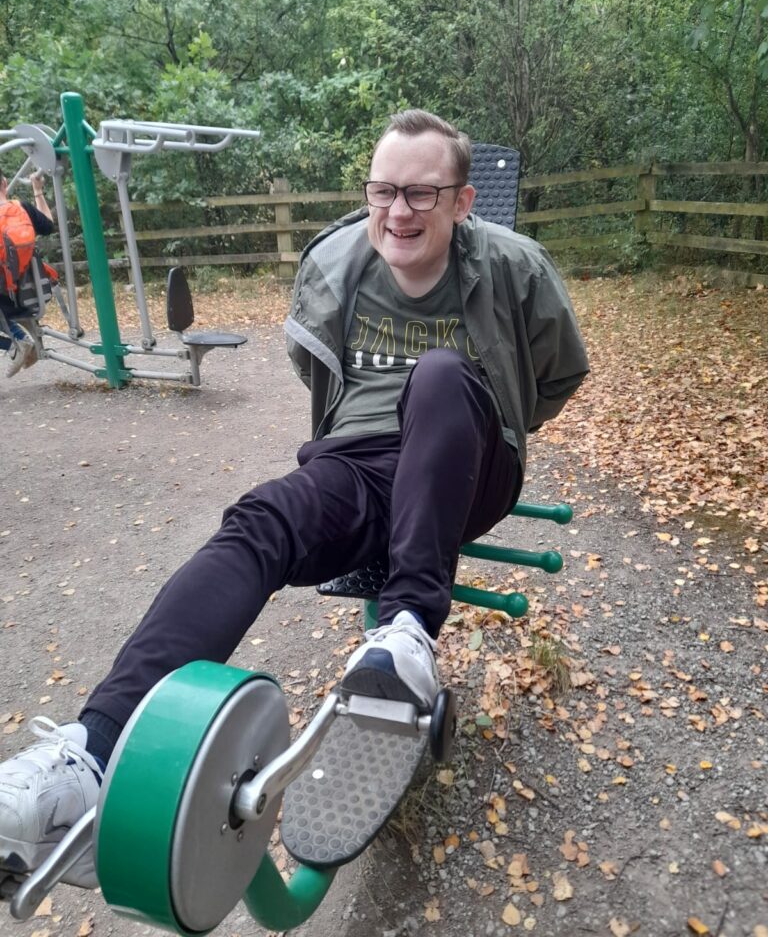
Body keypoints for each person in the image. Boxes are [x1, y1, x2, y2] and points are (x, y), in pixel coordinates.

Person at [0, 110, 589, 887]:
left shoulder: (518, 267)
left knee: (443, 373)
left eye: (421, 193)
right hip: (357, 464)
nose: (399, 211)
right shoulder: (335, 265)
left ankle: (409, 634)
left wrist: (492, 428)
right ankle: (90, 753)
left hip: (465, 459)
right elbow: (314, 368)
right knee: (259, 521)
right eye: (384, 191)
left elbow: (557, 375)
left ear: (462, 200)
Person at [0, 168, 55, 377]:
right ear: (5, 183)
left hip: (5, 306)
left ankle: (16, 340)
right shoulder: (21, 208)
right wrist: (37, 190)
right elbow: (48, 225)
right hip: (30, 296)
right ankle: (21, 343)